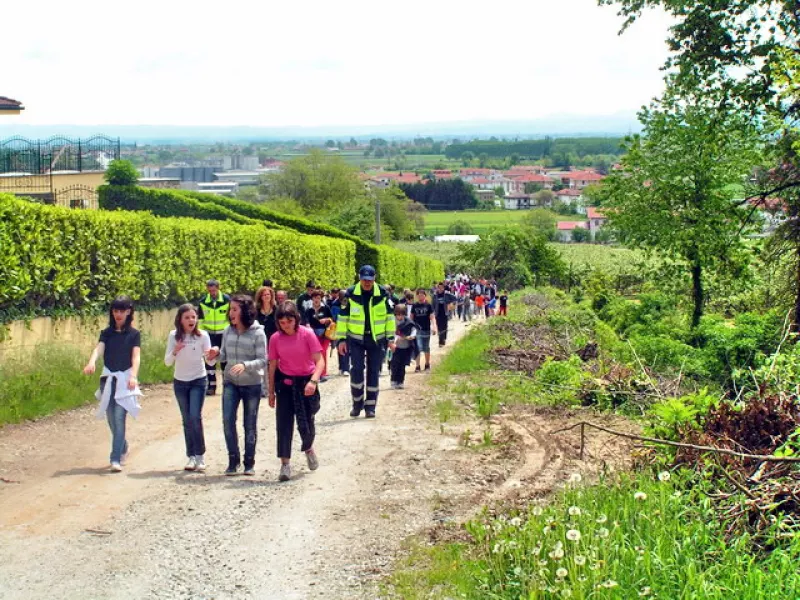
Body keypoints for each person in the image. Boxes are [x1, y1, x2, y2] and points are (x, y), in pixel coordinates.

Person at [206, 295, 267, 476]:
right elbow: (223, 355)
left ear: (245, 311)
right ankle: (233, 460)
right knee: (227, 421)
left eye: (234, 309)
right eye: (230, 309)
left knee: (249, 424)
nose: (231, 313)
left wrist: (245, 365)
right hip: (231, 382)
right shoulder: (228, 331)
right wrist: (214, 354)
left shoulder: (258, 333)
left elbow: (264, 360)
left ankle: (249, 462)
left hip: (252, 384)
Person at [82, 296, 142, 472]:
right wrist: (92, 361)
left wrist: (133, 376)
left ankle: (115, 458)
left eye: (122, 311)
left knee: (119, 417)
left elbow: (136, 356)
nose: (118, 314)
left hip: (124, 381)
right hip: (107, 379)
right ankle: (122, 445)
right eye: (115, 311)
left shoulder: (134, 334)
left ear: (128, 312)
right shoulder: (106, 333)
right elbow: (99, 348)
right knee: (110, 419)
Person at [267, 301, 325, 482]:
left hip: (306, 382)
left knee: (307, 422)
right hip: (285, 383)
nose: (286, 326)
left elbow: (319, 360)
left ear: (296, 319)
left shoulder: (307, 334)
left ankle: (308, 448)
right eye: (282, 323)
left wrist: (313, 381)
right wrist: (270, 391)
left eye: (289, 322)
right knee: (283, 424)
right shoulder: (275, 338)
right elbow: (272, 366)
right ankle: (285, 464)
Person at [337, 265, 395, 418]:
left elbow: (390, 318)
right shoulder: (349, 293)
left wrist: (391, 338)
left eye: (370, 280)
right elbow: (342, 318)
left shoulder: (382, 293)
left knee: (373, 371)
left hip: (376, 340)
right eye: (364, 280)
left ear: (374, 278)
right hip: (356, 339)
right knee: (356, 369)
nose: (367, 283)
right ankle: (357, 404)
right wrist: (341, 339)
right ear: (359, 278)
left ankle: (370, 407)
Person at [164, 304, 214, 472]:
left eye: (193, 317)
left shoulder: (202, 336)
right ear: (180, 320)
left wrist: (212, 355)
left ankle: (200, 456)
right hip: (180, 382)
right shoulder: (173, 336)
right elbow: (167, 362)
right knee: (186, 420)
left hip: (198, 381)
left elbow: (211, 362)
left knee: (195, 416)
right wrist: (175, 351)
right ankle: (191, 456)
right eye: (187, 317)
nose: (191, 320)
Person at [198, 279, 230, 395]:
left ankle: (227, 385)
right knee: (209, 360)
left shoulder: (227, 300)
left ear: (218, 288)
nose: (212, 293)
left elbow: (231, 317)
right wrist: (200, 333)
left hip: (223, 334)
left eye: (214, 290)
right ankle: (211, 386)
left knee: (224, 360)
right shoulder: (203, 302)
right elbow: (200, 319)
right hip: (209, 334)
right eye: (210, 291)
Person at [305, 290, 334, 381]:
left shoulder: (326, 308)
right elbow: (305, 320)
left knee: (323, 352)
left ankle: (323, 373)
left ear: (321, 298)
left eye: (318, 298)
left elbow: (332, 319)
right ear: (312, 299)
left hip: (325, 334)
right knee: (315, 353)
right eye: (314, 298)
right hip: (313, 334)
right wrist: (308, 325)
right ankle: (315, 372)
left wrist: (326, 320)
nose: (316, 300)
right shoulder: (308, 310)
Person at [255, 286, 278, 398]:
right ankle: (263, 389)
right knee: (262, 366)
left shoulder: (276, 310)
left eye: (268, 294)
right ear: (260, 297)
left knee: (273, 366)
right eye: (264, 295)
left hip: (273, 341)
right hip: (260, 341)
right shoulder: (256, 311)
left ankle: (273, 388)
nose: (266, 296)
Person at [390, 304, 417, 390]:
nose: (400, 316)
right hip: (395, 347)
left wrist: (412, 336)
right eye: (398, 314)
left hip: (405, 347)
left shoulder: (408, 321)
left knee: (402, 366)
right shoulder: (392, 321)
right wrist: (396, 338)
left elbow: (414, 329)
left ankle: (401, 381)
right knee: (395, 365)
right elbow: (391, 333)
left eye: (402, 314)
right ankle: (393, 381)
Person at [411, 288, 436, 372]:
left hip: (426, 329)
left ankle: (427, 364)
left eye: (422, 294)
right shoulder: (414, 306)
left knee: (426, 347)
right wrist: (411, 328)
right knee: (418, 347)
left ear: (425, 295)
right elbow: (411, 317)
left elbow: (432, 317)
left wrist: (434, 327)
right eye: (419, 294)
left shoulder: (428, 305)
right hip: (417, 330)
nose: (420, 296)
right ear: (417, 296)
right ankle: (417, 366)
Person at [432, 282, 458, 347]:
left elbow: (455, 298)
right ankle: (441, 340)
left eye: (441, 288)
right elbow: (432, 305)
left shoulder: (447, 294)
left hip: (445, 313)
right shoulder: (435, 295)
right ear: (437, 288)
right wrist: (432, 312)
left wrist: (452, 304)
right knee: (439, 327)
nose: (440, 289)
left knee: (444, 326)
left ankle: (443, 339)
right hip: (437, 313)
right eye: (439, 287)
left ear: (443, 288)